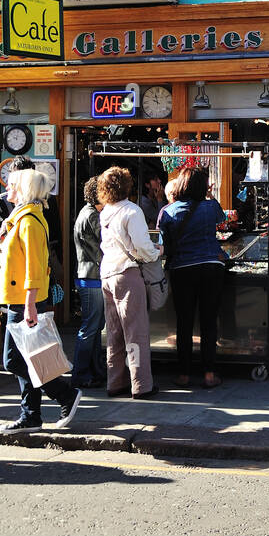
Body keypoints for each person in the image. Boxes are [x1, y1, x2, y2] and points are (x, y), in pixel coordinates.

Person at [0, 168, 81, 433]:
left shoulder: (30, 221)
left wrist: (31, 303)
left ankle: (64, 394)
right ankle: (31, 415)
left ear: (24, 189)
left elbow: (35, 266)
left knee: (14, 360)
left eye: (11, 184)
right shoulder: (20, 217)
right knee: (28, 357)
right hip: (18, 298)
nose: (6, 188)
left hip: (24, 300)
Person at [159, 167, 229, 389]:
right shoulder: (210, 207)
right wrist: (208, 194)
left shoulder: (167, 211)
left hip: (182, 268)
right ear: (203, 187)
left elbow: (164, 242)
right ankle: (209, 373)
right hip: (211, 266)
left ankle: (184, 374)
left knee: (184, 322)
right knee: (209, 321)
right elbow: (223, 219)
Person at [98, 166, 160, 399]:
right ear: (127, 185)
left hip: (107, 273)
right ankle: (141, 384)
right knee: (136, 331)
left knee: (114, 331)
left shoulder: (106, 212)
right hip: (127, 272)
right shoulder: (131, 211)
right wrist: (156, 254)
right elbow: (143, 246)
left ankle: (115, 382)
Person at [0, 156, 62, 272]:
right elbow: (0, 240)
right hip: (24, 263)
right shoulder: (3, 201)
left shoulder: (46, 199)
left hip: (40, 263)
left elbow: (55, 232)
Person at [71, 175, 107, 389]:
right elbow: (106, 240)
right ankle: (81, 373)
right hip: (91, 277)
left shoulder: (89, 213)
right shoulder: (92, 215)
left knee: (94, 327)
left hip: (90, 276)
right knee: (90, 327)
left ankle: (93, 371)